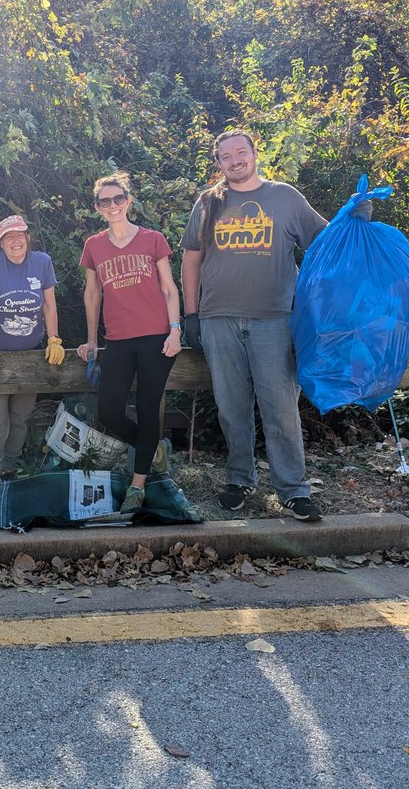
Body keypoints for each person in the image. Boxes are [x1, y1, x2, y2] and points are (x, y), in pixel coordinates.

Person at [180, 129, 367, 522]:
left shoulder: (285, 197)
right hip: (218, 320)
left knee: (281, 409)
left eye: (240, 153)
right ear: (218, 163)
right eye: (226, 156)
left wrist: (353, 219)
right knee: (231, 409)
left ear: (254, 153)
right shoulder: (208, 202)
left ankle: (293, 491)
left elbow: (324, 241)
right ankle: (239, 480)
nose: (235, 161)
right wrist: (191, 314)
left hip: (276, 321)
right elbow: (191, 261)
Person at [75, 171, 182, 514]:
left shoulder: (153, 239)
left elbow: (169, 288)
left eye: (118, 199)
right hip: (117, 341)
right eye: (105, 201)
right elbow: (92, 295)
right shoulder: (94, 246)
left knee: (149, 409)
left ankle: (137, 485)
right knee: (109, 410)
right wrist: (92, 340)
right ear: (98, 207)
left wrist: (176, 330)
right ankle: (153, 450)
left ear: (128, 202)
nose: (113, 205)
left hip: (156, 339)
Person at [0, 214, 64, 501]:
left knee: (20, 416)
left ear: (28, 237)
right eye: (9, 237)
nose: (15, 241)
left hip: (31, 355)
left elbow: (49, 305)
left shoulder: (42, 262)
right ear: (0, 242)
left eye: (19, 235)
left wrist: (54, 338)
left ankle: (10, 470)